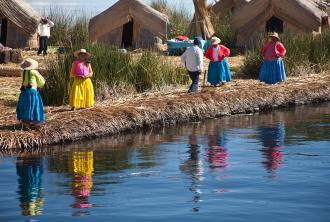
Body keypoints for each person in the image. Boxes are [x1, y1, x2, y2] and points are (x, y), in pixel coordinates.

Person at [16, 58, 45, 129]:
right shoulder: (34, 72)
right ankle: (32, 122)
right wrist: (40, 85)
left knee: (25, 106)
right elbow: (41, 82)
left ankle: (25, 121)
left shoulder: (23, 72)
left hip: (24, 92)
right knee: (34, 106)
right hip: (32, 92)